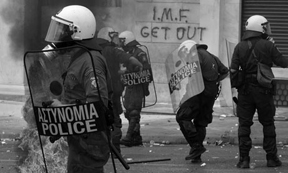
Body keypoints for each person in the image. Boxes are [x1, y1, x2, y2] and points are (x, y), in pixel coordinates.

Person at [44, 5, 142, 173]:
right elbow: (78, 98)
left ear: (77, 31)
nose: (58, 36)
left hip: (90, 142)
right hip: (81, 138)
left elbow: (96, 108)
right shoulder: (80, 58)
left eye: (62, 30)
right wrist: (62, 124)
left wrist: (61, 109)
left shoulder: (91, 61)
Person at [230, 15, 288, 168]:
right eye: (265, 26)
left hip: (245, 92)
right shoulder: (267, 45)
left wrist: (238, 87)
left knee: (244, 124)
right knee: (268, 123)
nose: (267, 29)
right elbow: (282, 62)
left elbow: (233, 70)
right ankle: (271, 158)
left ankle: (243, 159)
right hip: (264, 91)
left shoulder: (239, 46)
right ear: (259, 27)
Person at [176, 40, 228, 163]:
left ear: (187, 49)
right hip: (210, 93)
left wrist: (185, 98)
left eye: (183, 54)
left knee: (182, 117)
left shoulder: (195, 54)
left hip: (198, 92)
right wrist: (213, 81)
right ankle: (196, 155)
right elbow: (225, 71)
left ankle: (196, 146)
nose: (184, 57)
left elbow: (195, 77)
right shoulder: (210, 55)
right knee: (200, 122)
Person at [97, 26, 143, 154]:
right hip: (111, 91)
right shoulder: (113, 51)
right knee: (115, 121)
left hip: (96, 91)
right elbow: (131, 60)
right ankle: (115, 151)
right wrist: (138, 65)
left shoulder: (94, 50)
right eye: (114, 36)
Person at [118, 30, 151, 147]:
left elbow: (146, 71)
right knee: (128, 111)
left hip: (137, 86)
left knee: (134, 111)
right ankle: (136, 137)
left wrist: (127, 72)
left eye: (122, 40)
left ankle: (129, 136)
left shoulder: (140, 54)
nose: (120, 43)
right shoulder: (127, 53)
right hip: (129, 85)